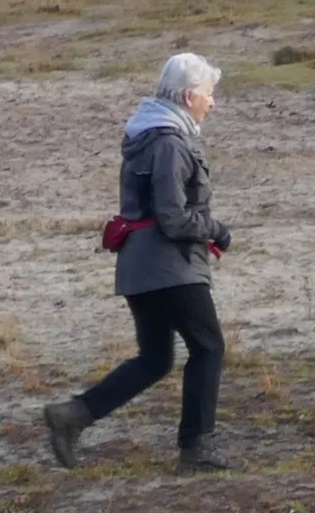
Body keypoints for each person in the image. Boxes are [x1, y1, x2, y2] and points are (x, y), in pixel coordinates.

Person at [46, 53, 232, 472]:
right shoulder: (169, 143)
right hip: (170, 268)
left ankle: (72, 416)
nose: (212, 103)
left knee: (155, 359)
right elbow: (172, 217)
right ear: (188, 96)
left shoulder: (150, 136)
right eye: (208, 94)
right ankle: (196, 449)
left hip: (139, 266)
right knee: (208, 346)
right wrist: (215, 229)